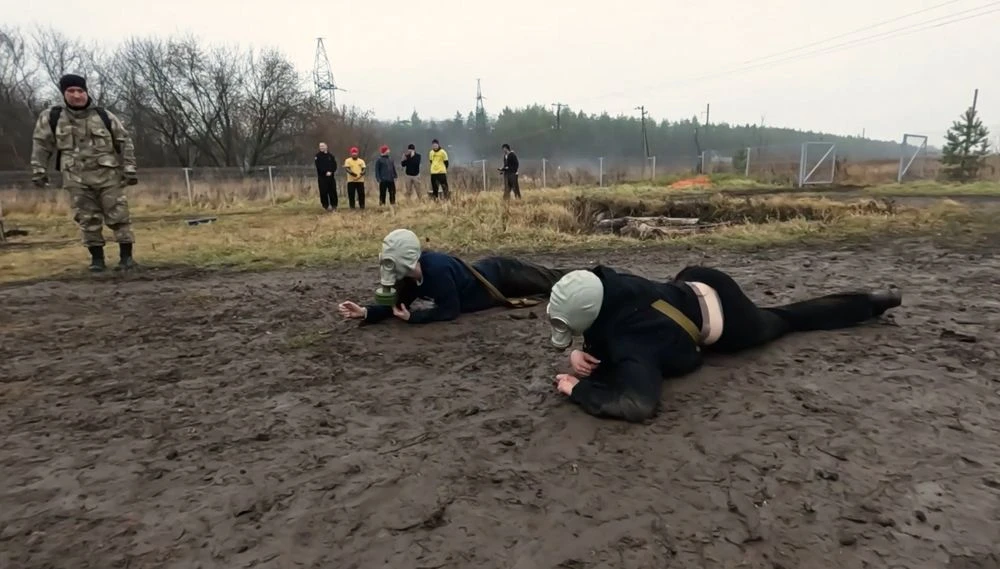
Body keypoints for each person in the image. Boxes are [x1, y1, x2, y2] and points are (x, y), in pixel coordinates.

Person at [545, 265, 903, 423]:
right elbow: (606, 323)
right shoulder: (605, 283)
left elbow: (637, 404)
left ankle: (869, 303)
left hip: (727, 315)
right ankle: (871, 299)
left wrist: (579, 390)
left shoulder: (633, 339)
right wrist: (581, 351)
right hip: (693, 280)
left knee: (787, 318)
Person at [337, 228, 571, 324]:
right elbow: (396, 305)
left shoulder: (437, 269)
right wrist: (365, 311)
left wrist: (414, 318)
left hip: (501, 273)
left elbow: (450, 310)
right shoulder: (409, 277)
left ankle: (589, 274)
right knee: (548, 286)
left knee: (554, 281)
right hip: (496, 287)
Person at [30, 73, 139, 272]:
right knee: (87, 218)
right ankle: (97, 260)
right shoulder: (52, 117)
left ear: (86, 92)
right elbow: (41, 144)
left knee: (119, 215)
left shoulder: (104, 116)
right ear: (64, 94)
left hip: (108, 175)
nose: (76, 95)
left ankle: (126, 258)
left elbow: (124, 141)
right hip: (75, 177)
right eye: (71, 91)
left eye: (80, 91)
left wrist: (129, 167)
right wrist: (39, 169)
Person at [314, 142, 338, 211]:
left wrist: (331, 171)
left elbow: (334, 165)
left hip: (331, 177)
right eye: (320, 146)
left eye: (322, 146)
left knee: (332, 191)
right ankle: (326, 206)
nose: (321, 147)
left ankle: (334, 205)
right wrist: (325, 172)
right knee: (323, 192)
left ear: (326, 146)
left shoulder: (331, 156)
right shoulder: (317, 156)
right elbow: (318, 166)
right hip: (322, 177)